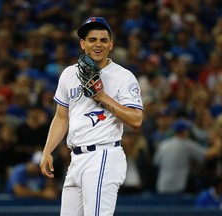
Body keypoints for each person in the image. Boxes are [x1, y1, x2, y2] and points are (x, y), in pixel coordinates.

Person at [40, 17, 144, 215]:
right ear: (83, 43)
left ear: (111, 45)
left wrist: (102, 96)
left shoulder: (123, 76)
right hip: (76, 159)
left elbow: (136, 120)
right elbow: (62, 117)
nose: (98, 44)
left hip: (103, 155)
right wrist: (47, 151)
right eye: (92, 39)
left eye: (103, 40)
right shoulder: (69, 74)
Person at [153, 118, 222, 194]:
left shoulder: (164, 144)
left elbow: (155, 163)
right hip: (177, 188)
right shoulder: (186, 144)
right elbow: (208, 155)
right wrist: (219, 143)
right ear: (184, 131)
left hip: (162, 186)